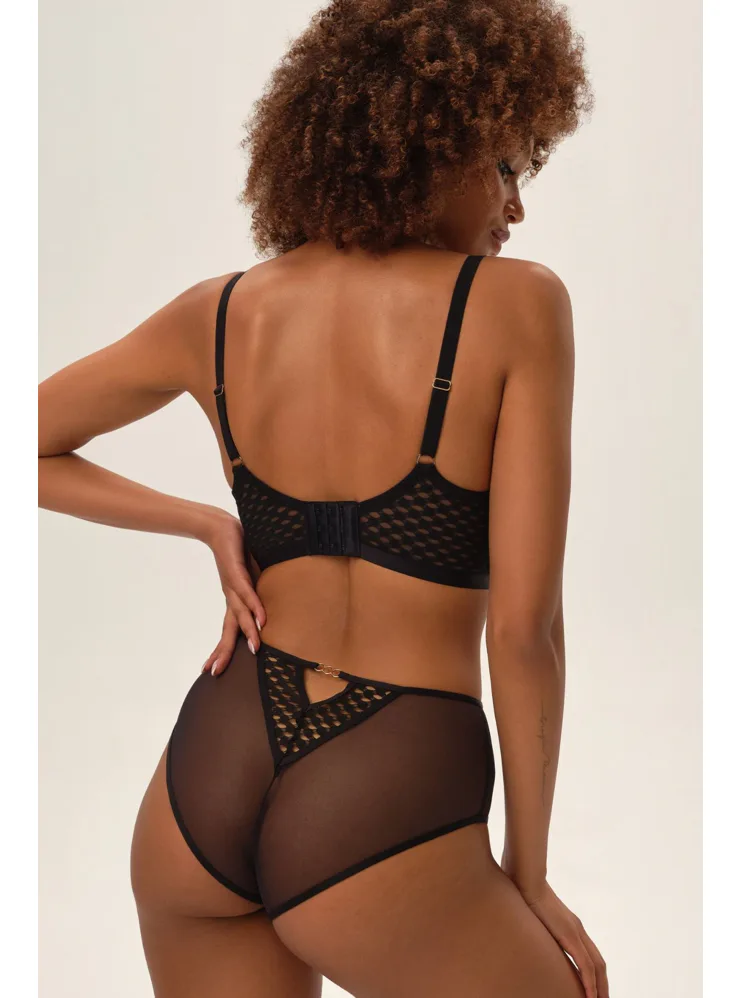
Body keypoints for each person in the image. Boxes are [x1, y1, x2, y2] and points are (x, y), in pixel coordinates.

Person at [38, 1, 608, 995]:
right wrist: (528, 873)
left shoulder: (218, 311)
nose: (516, 208)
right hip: (384, 788)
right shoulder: (518, 306)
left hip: (203, 784)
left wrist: (207, 521)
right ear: (435, 142)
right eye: (506, 166)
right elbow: (523, 633)